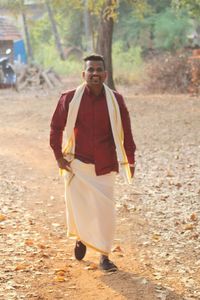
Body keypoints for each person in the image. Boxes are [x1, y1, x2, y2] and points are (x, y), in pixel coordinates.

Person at [50, 54, 136, 272]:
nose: (95, 74)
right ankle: (81, 237)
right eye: (91, 70)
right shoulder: (69, 98)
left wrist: (130, 160)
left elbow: (126, 132)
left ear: (105, 75)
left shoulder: (116, 100)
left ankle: (104, 256)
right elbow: (55, 127)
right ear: (83, 74)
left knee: (105, 213)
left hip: (105, 166)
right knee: (81, 208)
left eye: (99, 70)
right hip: (77, 165)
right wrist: (59, 157)